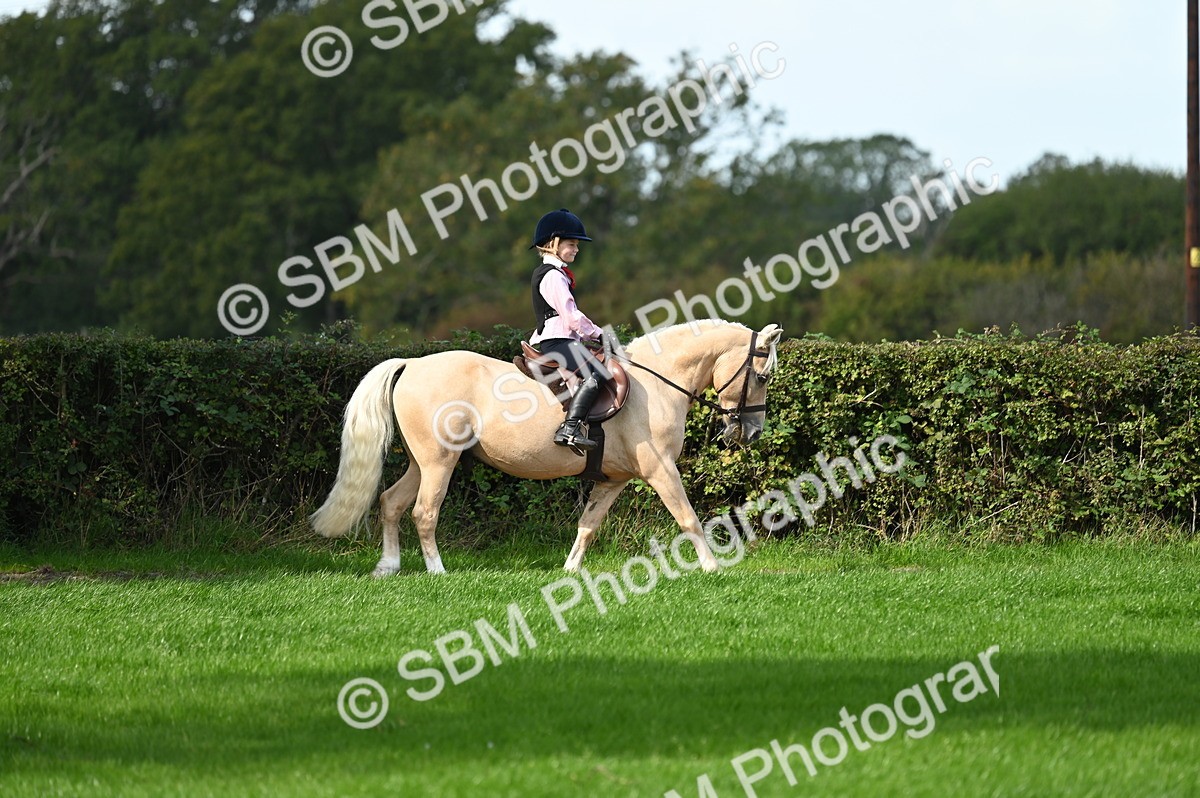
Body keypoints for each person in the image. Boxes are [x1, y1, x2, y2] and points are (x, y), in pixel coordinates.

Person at [528, 208, 611, 452]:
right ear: (554, 244)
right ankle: (570, 427)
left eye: (576, 244)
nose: (576, 249)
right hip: (556, 341)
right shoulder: (553, 276)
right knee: (598, 374)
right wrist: (598, 334)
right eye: (572, 244)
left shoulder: (554, 273)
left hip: (560, 339)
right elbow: (571, 316)